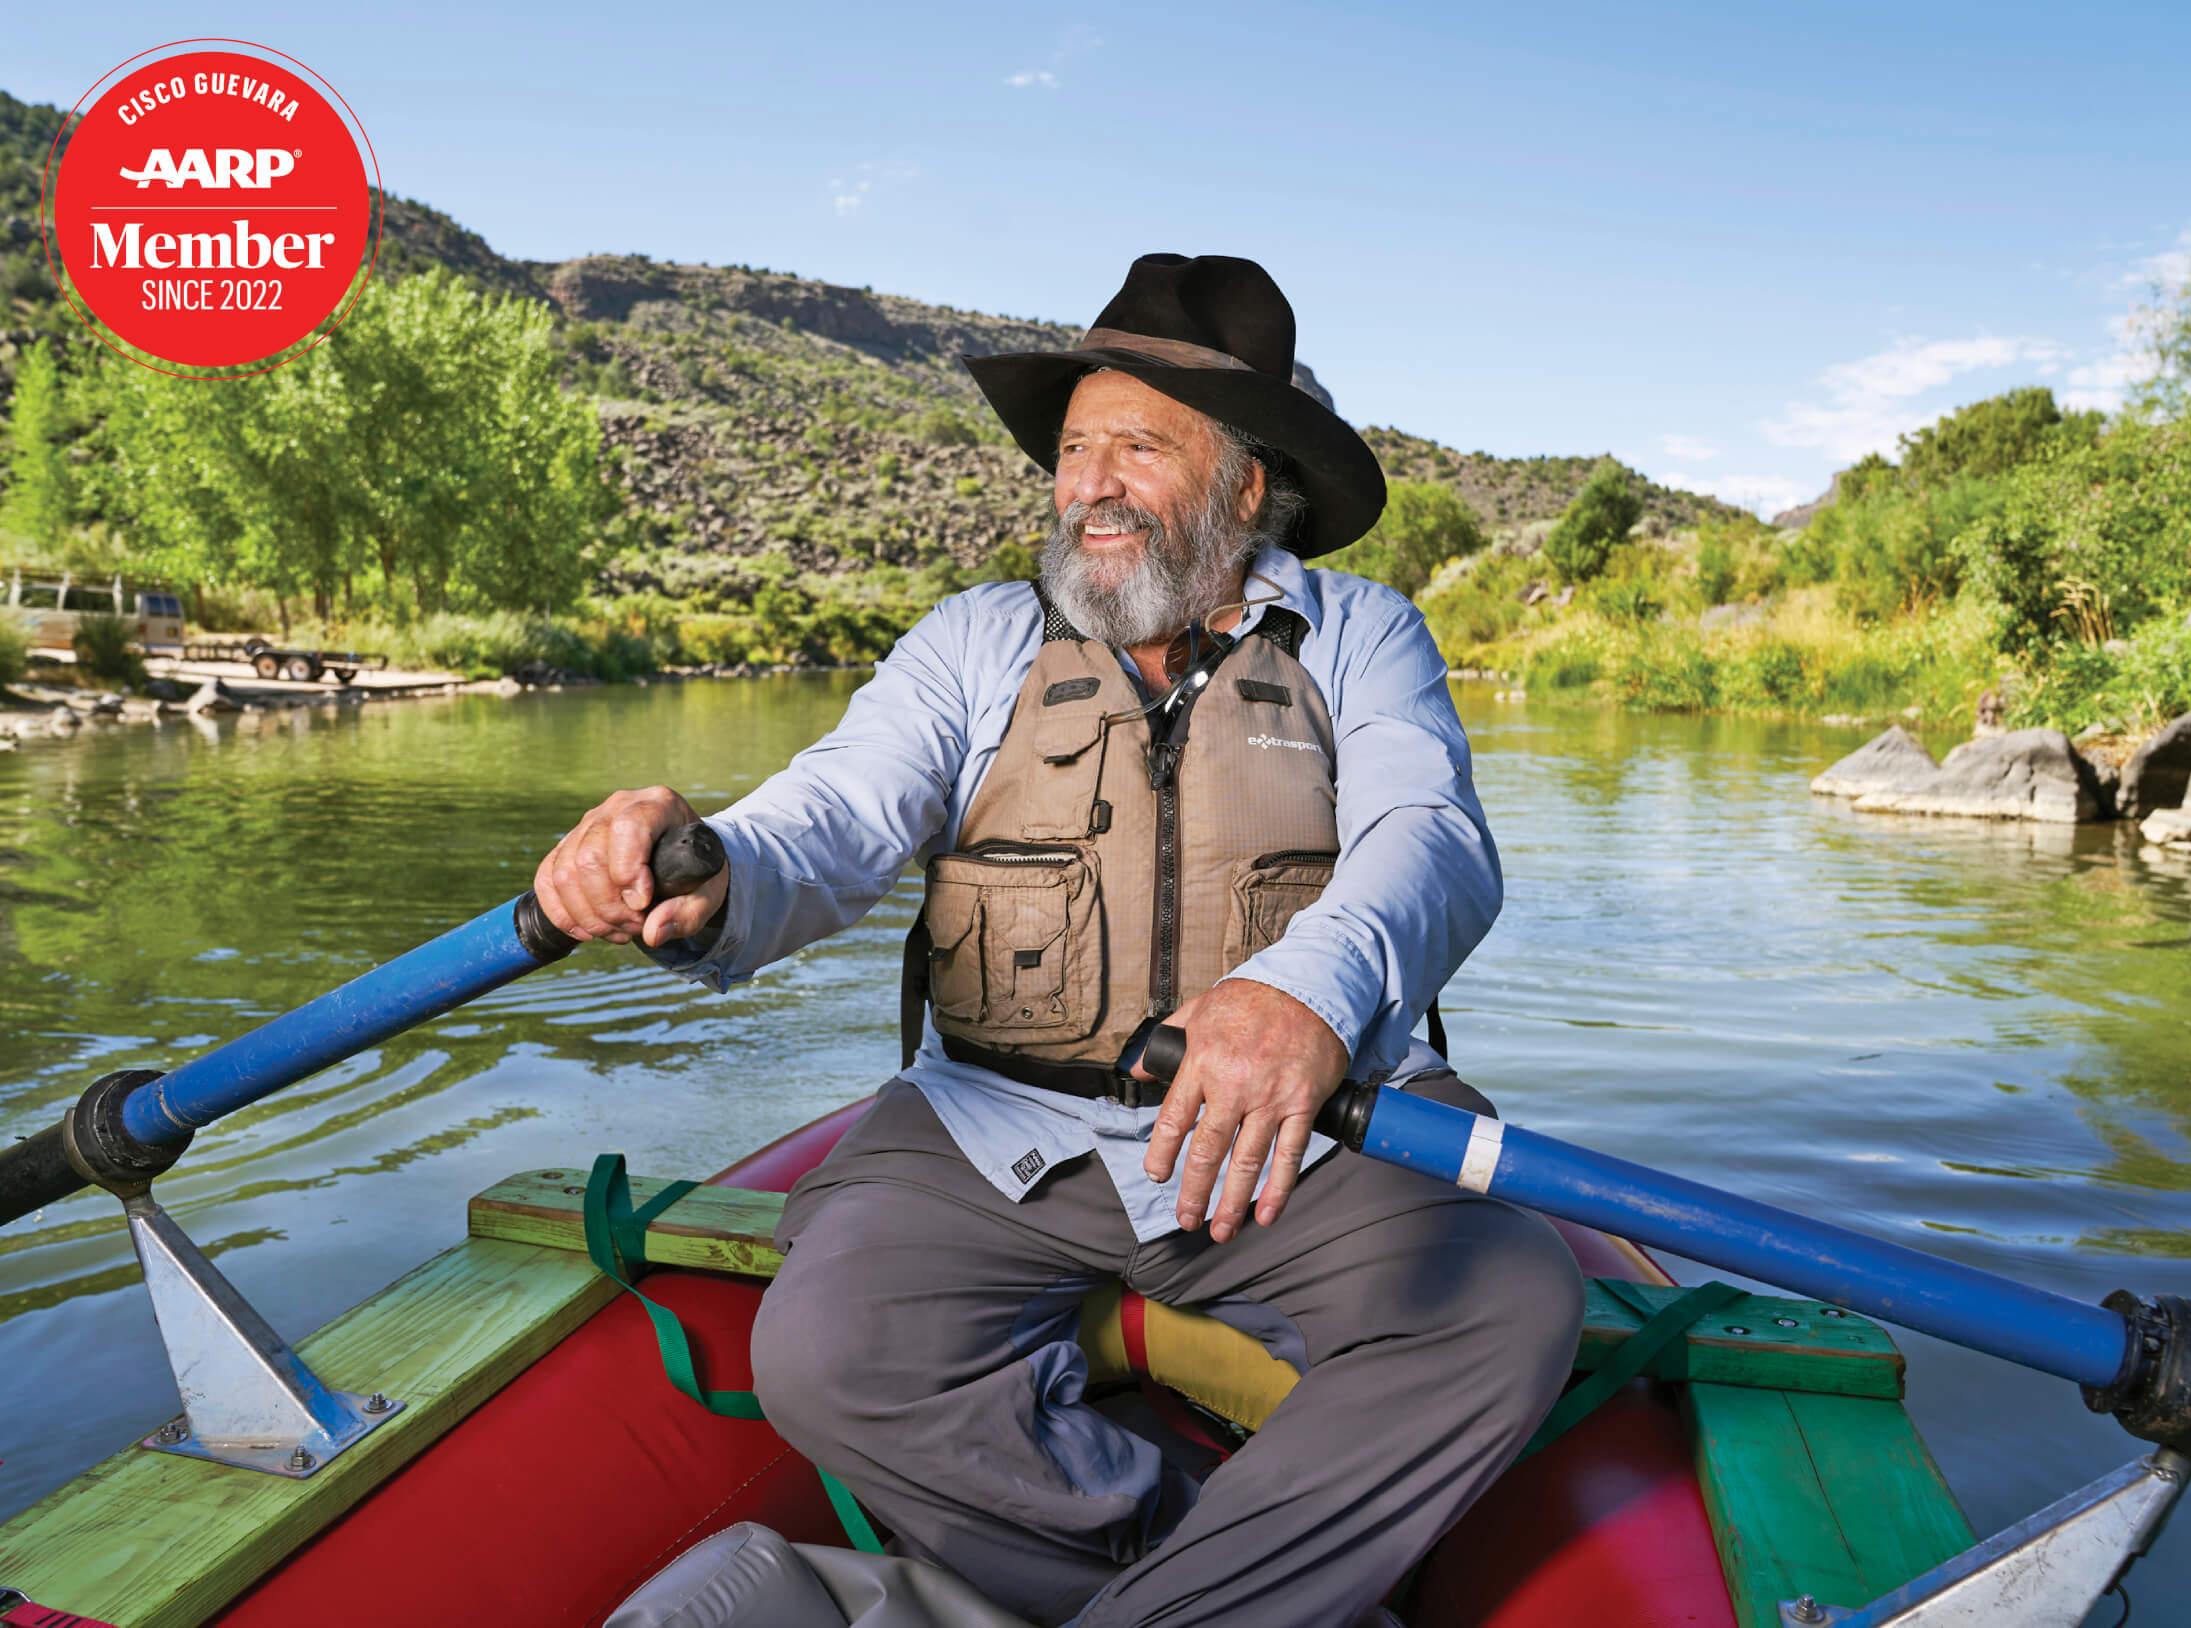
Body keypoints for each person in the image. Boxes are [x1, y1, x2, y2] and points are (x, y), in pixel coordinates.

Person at [536, 253, 1584, 1628]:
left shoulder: (1362, 637)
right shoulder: (971, 641)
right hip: (987, 1129)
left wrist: (1305, 995)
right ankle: (1192, 1578)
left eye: (1137, 446)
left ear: (1247, 484)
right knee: (828, 1350)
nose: (1087, 481)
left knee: (1501, 1306)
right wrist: (713, 870)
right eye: (1073, 447)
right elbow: (833, 814)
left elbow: (1430, 837)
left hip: (1299, 1124)